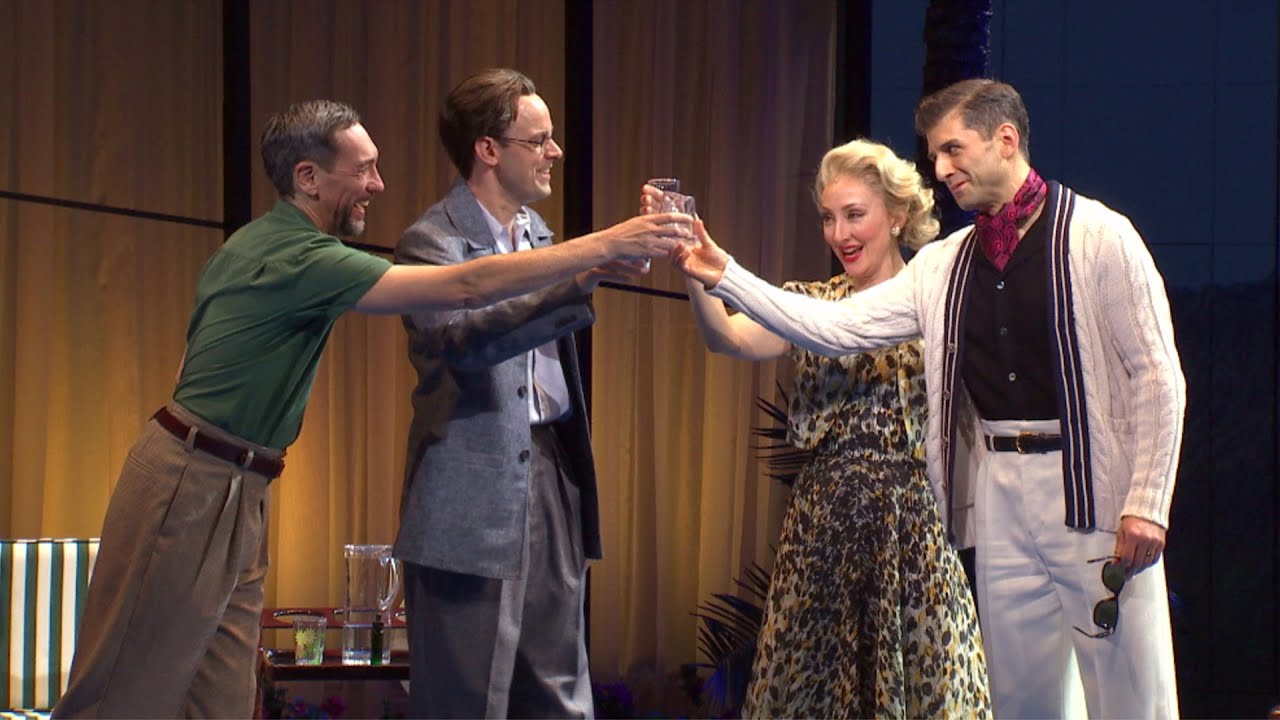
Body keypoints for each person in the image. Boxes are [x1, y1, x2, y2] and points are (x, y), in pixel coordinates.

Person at [51, 99, 687, 719]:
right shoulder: (299, 255)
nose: (378, 185)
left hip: (242, 482)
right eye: (363, 170)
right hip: (192, 477)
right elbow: (464, 288)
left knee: (218, 697)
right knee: (122, 695)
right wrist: (603, 246)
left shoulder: (264, 245)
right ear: (308, 177)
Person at [672, 79, 1183, 720]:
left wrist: (1147, 504)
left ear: (1005, 139)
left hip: (1090, 487)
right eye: (935, 155)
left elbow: (1158, 376)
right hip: (999, 497)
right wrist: (725, 274)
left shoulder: (1100, 237)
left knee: (1132, 694)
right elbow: (836, 327)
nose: (940, 169)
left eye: (952, 149)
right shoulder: (945, 263)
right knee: (1021, 697)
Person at [646, 138, 991, 718]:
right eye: (829, 218)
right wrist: (694, 271)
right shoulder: (810, 303)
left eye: (855, 215)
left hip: (912, 535)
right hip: (821, 532)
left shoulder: (937, 304)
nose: (839, 234)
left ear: (897, 215)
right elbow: (727, 338)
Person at [392, 68, 649, 719]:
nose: (554, 152)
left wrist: (585, 267)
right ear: (488, 149)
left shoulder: (540, 235)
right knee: (466, 696)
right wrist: (580, 272)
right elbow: (464, 342)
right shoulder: (434, 240)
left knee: (560, 691)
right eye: (538, 141)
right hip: (468, 490)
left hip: (550, 475)